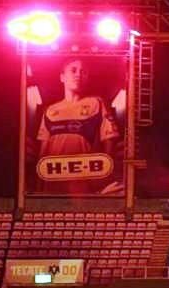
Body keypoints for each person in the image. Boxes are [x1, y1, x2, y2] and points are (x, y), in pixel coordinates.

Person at [36, 58, 120, 193]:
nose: (78, 74)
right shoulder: (50, 110)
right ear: (62, 77)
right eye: (73, 70)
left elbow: (108, 142)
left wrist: (104, 176)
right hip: (54, 180)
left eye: (83, 72)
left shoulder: (96, 103)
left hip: (84, 181)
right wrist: (39, 186)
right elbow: (43, 151)